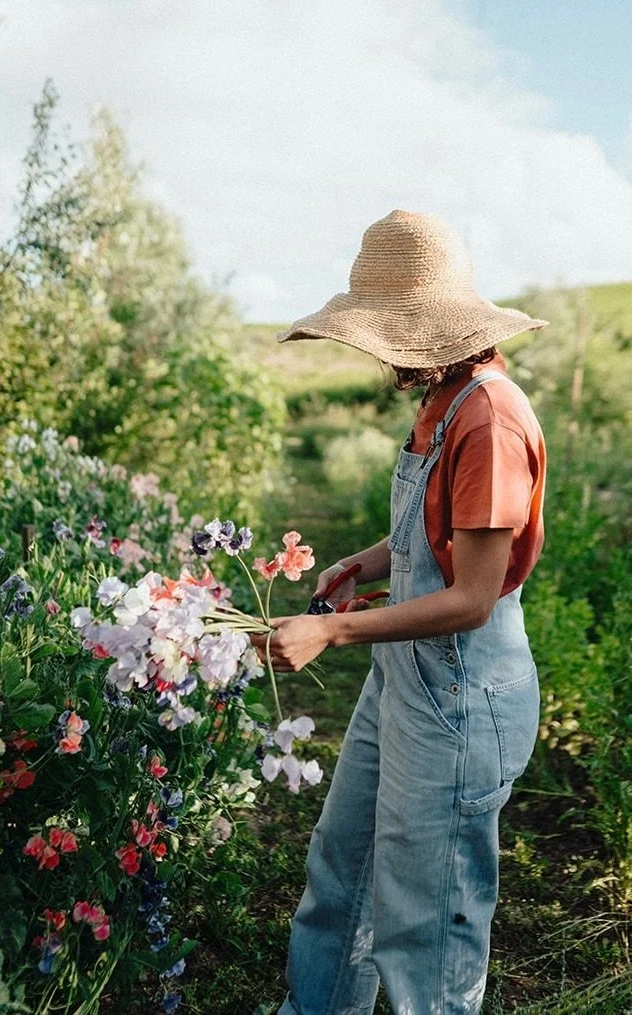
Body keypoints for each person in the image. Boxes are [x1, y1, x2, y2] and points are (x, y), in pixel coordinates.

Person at [252, 210, 549, 1015]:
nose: (379, 353)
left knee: (427, 934)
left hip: (459, 700)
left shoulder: (488, 420)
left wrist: (332, 629)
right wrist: (365, 561)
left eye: (385, 335)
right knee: (342, 875)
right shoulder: (445, 398)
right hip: (405, 681)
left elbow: (472, 596)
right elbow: (437, 538)